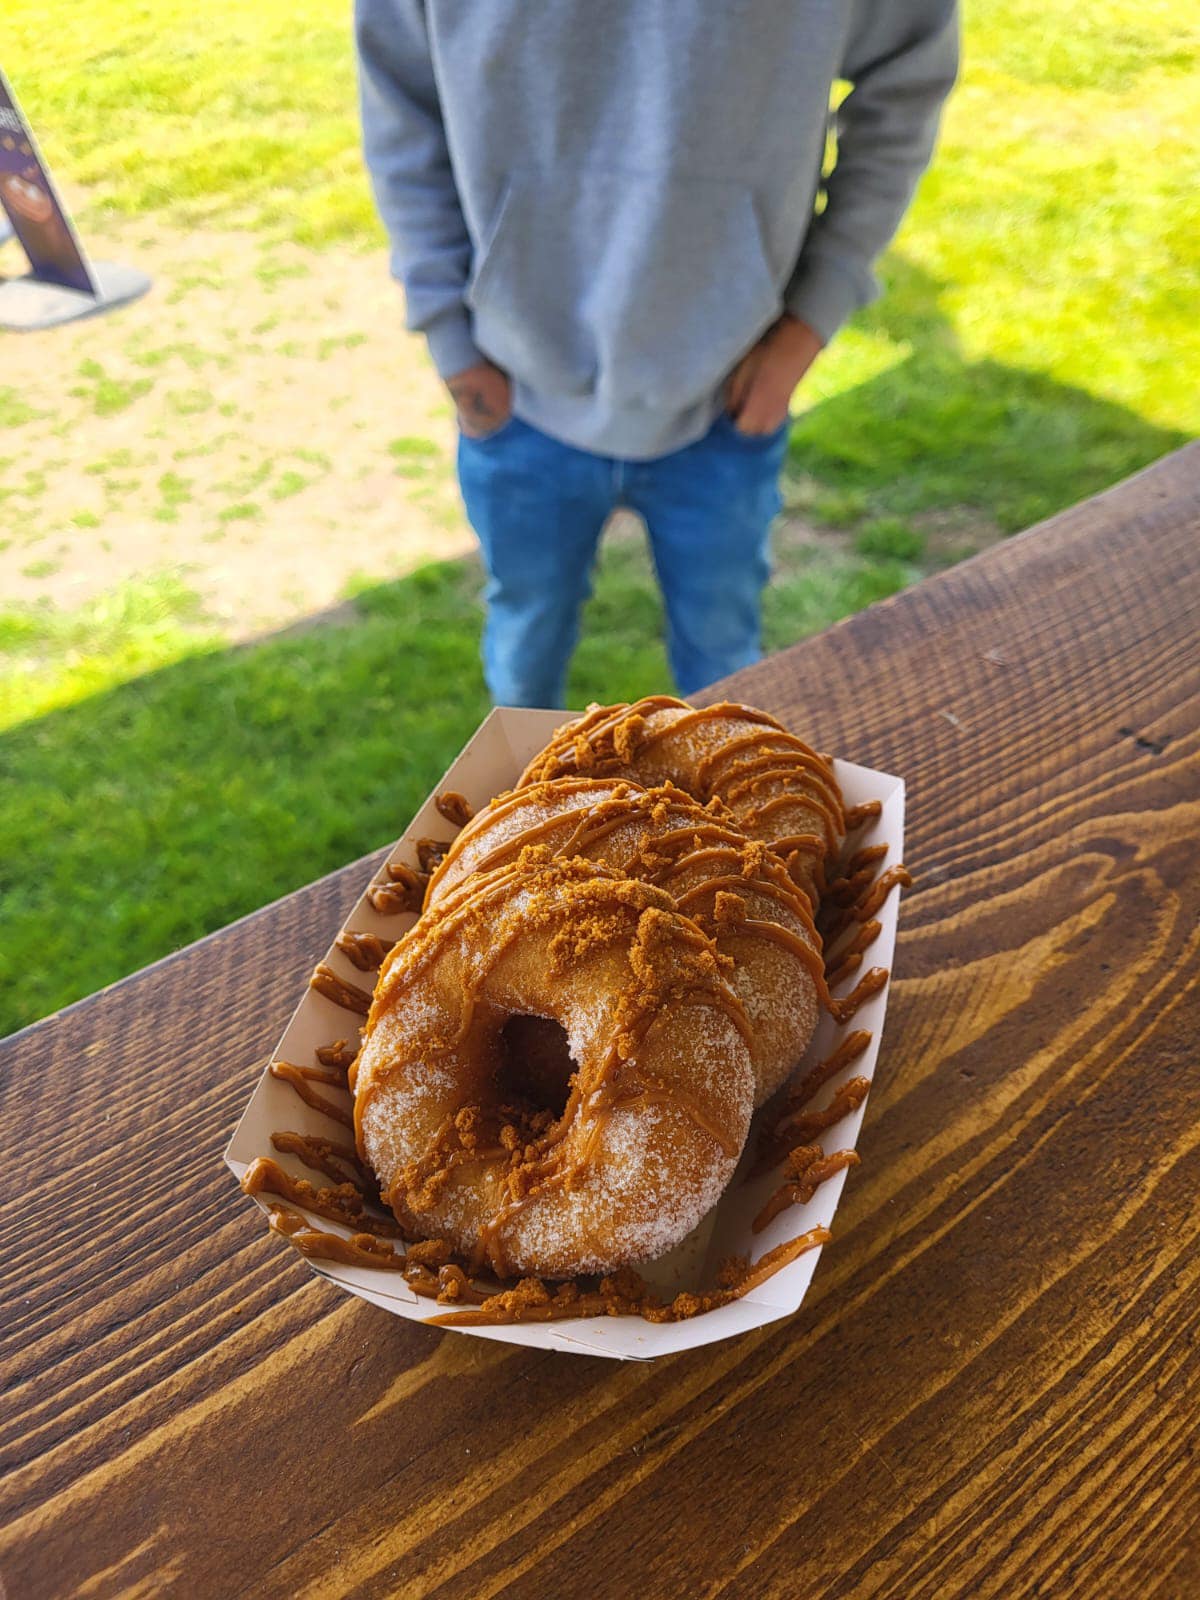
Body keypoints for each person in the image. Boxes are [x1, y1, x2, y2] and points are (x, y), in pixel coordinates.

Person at [355, 2, 959, 706]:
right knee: (523, 659)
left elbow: (907, 81)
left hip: (728, 394)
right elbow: (401, 116)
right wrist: (454, 350)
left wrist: (806, 325)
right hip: (516, 392)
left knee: (726, 668)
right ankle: (515, 806)